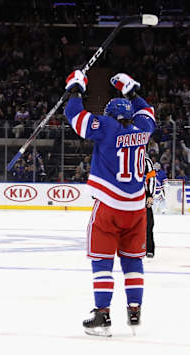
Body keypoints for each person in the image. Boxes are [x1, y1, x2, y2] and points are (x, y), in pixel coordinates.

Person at [64, 71, 156, 336]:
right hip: (137, 209)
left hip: (109, 205)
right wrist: (133, 92)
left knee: (102, 260)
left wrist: (76, 89)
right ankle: (134, 310)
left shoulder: (106, 126)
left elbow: (76, 118)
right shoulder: (143, 129)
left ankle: (102, 315)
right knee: (132, 260)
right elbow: (147, 110)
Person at [145, 157, 156, 258]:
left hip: (144, 196)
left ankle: (149, 248)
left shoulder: (146, 161)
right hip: (130, 197)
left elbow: (151, 179)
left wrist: (150, 195)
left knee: (148, 225)